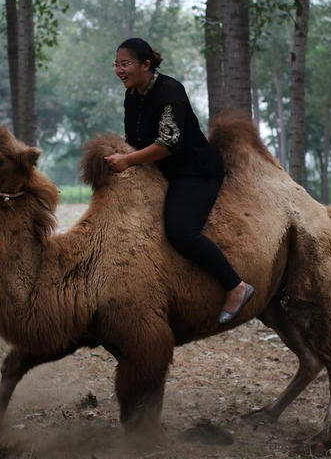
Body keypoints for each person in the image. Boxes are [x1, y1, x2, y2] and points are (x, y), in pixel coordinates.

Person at [104, 37, 254, 324]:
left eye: (125, 64)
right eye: (116, 64)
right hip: (162, 171)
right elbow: (134, 141)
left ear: (146, 64)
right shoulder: (132, 95)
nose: (119, 70)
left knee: (180, 231)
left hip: (195, 171)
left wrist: (127, 161)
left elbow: (167, 144)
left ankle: (236, 286)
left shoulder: (169, 91)